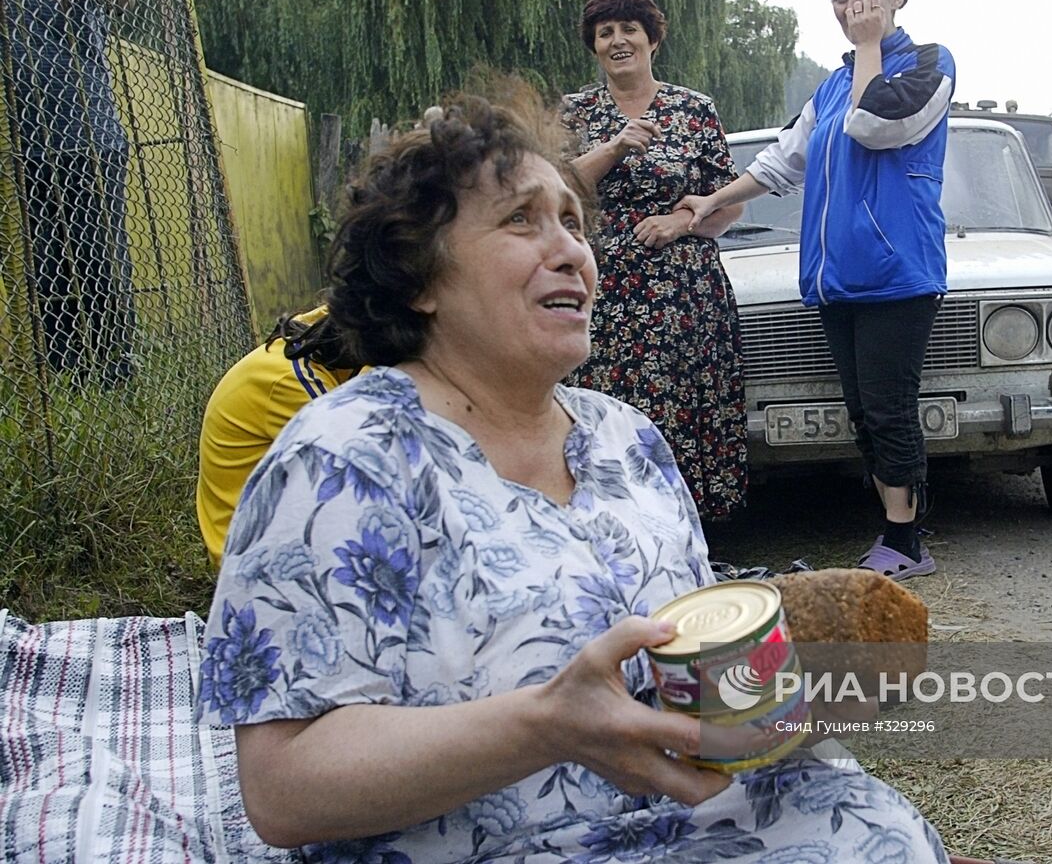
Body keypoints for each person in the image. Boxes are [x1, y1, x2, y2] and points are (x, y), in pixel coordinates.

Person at [198, 90, 951, 863]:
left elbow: (676, 670)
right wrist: (542, 726)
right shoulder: (339, 463)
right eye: (521, 219)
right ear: (417, 274)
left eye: (574, 223)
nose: (571, 252)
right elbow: (282, 789)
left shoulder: (627, 439)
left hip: (698, 819)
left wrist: (777, 689)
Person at [676, 0, 955, 581]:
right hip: (836, 280)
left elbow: (873, 125)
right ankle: (895, 529)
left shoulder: (929, 63)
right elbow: (782, 160)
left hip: (897, 273)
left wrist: (867, 49)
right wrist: (712, 201)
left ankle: (907, 541)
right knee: (861, 409)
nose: (853, 7)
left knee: (889, 407)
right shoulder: (830, 84)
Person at [561, 0, 748, 521]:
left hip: (684, 295)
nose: (618, 40)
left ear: (651, 40)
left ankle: (694, 533)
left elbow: (729, 202)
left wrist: (682, 222)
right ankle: (619, 524)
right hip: (603, 291)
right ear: (594, 46)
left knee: (687, 404)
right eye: (605, 32)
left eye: (629, 29)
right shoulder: (574, 114)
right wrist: (615, 146)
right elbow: (555, 189)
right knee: (607, 406)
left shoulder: (694, 110)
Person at [1, 0, 139, 385]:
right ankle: (66, 372)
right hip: (25, 145)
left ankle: (115, 368)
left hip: (87, 135)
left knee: (97, 255)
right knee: (46, 263)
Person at [196, 306, 362, 568]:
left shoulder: (319, 335)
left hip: (275, 533)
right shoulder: (293, 381)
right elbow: (364, 483)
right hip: (253, 563)